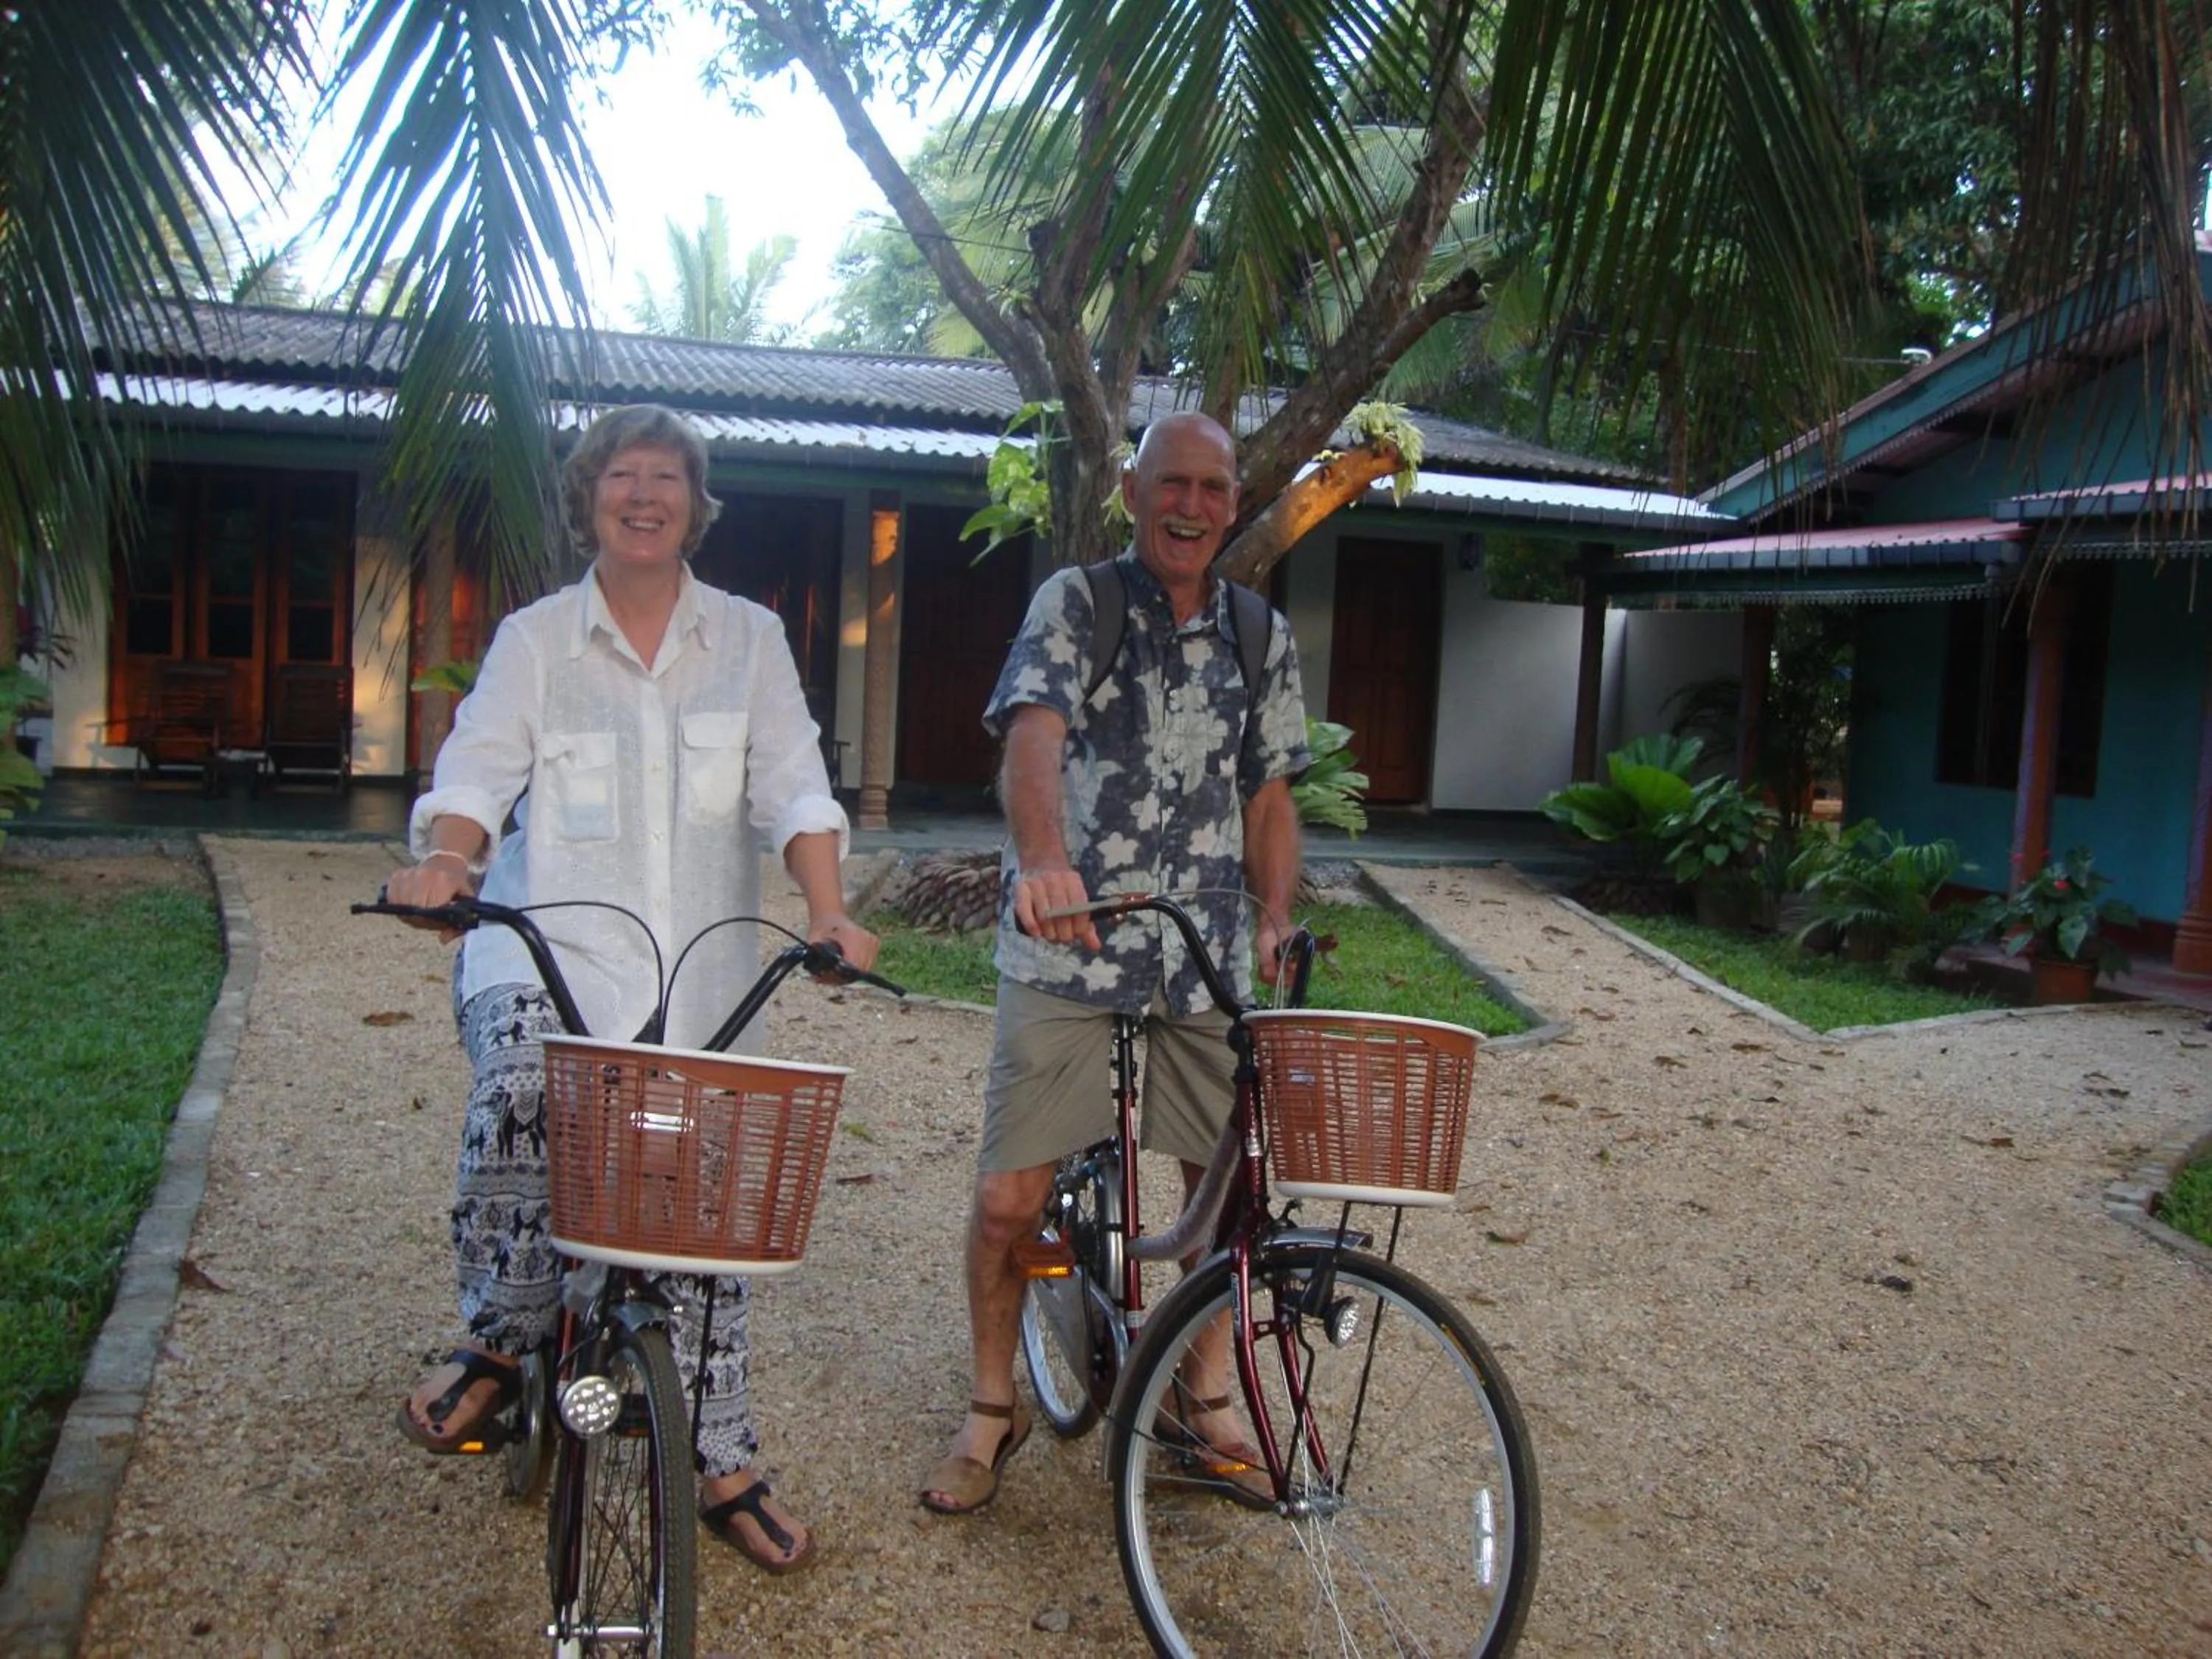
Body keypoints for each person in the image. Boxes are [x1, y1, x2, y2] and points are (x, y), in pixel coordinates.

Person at [386, 403, 874, 1576]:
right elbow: (480, 764)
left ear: (697, 505)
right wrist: (450, 862)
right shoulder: (538, 639)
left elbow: (795, 788)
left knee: (699, 1209)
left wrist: (827, 911)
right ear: (588, 497)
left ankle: (723, 1458)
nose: (644, 494)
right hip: (545, 954)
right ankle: (503, 1339)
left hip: (693, 977)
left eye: (667, 477)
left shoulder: (751, 640)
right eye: (622, 475)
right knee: (517, 1087)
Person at [919, 410, 1309, 1514]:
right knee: (1008, 1200)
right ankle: (992, 1405)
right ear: (1132, 495)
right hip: (1069, 945)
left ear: (1234, 504)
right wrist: (1044, 860)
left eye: (1213, 488)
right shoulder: (1079, 604)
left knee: (1222, 1200)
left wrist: (1272, 916)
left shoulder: (1258, 632)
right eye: (1171, 483)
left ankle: (1203, 1391)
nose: (1191, 505)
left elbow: (1270, 790)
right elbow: (1032, 736)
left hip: (1201, 957)